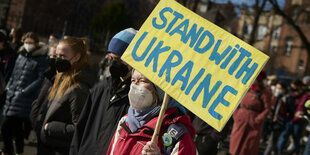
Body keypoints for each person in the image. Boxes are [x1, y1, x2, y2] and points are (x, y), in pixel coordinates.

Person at [70, 28, 137, 155]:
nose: (113, 63)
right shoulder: (100, 88)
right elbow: (81, 128)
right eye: (111, 58)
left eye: (119, 59)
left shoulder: (138, 97)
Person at [107, 69, 196, 155]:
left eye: (142, 80)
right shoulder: (125, 121)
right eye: (133, 80)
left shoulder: (177, 134)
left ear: (159, 89)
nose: (135, 85)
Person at [39, 37, 95, 155]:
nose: (58, 60)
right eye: (57, 55)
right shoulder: (60, 78)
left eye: (63, 56)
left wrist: (50, 127)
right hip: (48, 145)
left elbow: (79, 127)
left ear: (76, 57)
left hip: (59, 148)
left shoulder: (78, 89)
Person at [1, 32, 49, 155]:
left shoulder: (41, 59)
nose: (28, 45)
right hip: (12, 95)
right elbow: (14, 73)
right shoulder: (20, 55)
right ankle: (15, 151)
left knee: (8, 126)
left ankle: (11, 151)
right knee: (15, 128)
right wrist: (9, 87)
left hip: (24, 98)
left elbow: (40, 79)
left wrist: (24, 91)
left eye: (30, 43)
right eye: (26, 42)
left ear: (36, 44)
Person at [229, 71, 272, 155]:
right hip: (240, 120)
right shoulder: (246, 88)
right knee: (235, 143)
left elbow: (267, 109)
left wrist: (257, 119)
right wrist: (236, 115)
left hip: (253, 123)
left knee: (248, 145)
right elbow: (236, 102)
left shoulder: (264, 92)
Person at [30, 42, 58, 155]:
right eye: (50, 56)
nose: (51, 59)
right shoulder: (48, 75)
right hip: (39, 122)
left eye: (55, 56)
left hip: (49, 129)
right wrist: (34, 116)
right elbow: (40, 98)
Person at [277, 79, 310, 155]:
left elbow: (306, 107)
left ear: (298, 86)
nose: (292, 88)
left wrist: (303, 112)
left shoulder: (305, 96)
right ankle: (279, 151)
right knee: (284, 136)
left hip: (298, 120)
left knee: (296, 139)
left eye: (294, 86)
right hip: (290, 119)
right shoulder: (291, 95)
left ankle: (295, 152)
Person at [264, 81, 288, 155]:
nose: (277, 90)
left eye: (279, 88)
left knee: (272, 141)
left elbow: (285, 111)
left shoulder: (285, 98)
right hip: (271, 121)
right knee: (273, 142)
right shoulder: (274, 96)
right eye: (277, 88)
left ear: (284, 89)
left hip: (279, 122)